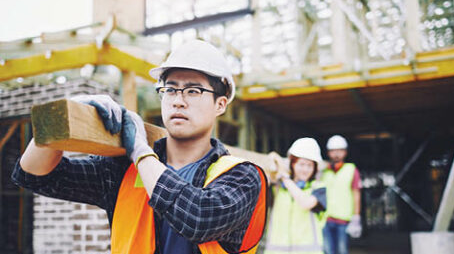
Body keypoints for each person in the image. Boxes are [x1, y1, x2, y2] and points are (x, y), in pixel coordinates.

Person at [11, 40, 268, 254]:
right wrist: (71, 110)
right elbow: (34, 175)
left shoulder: (242, 177)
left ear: (220, 104)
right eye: (170, 90)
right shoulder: (124, 170)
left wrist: (140, 152)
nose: (178, 101)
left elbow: (197, 218)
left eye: (193, 91)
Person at [263, 138, 326, 254]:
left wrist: (285, 177)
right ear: (292, 164)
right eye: (301, 164)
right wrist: (272, 167)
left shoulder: (318, 188)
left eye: (310, 165)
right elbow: (260, 187)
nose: (305, 169)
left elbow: (305, 203)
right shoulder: (278, 187)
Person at [321, 135, 362, 254]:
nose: (336, 154)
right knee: (328, 250)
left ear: (345, 152)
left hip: (343, 220)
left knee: (342, 250)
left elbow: (356, 193)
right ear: (328, 153)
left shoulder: (351, 169)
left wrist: (356, 216)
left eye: (340, 150)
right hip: (325, 218)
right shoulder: (323, 171)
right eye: (333, 151)